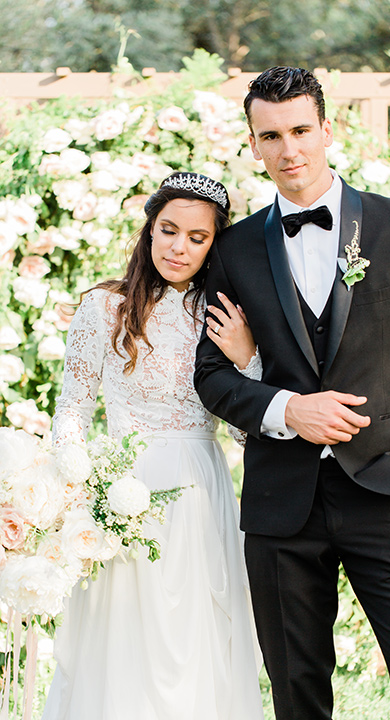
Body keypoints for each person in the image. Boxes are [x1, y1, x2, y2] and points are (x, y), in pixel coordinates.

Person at [194, 67, 390, 720]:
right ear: (253, 145)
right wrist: (288, 409)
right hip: (279, 507)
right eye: (272, 135)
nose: (290, 150)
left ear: (327, 130)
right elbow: (211, 375)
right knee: (298, 695)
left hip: (387, 487)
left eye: (300, 130)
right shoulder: (231, 251)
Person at [41, 172, 265, 720]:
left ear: (215, 244)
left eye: (197, 237)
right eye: (168, 230)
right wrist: (74, 486)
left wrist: (246, 359)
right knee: (120, 630)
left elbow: (244, 428)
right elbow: (72, 407)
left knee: (196, 629)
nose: (178, 247)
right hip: (118, 486)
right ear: (149, 230)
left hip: (198, 487)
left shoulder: (224, 317)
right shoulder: (103, 308)